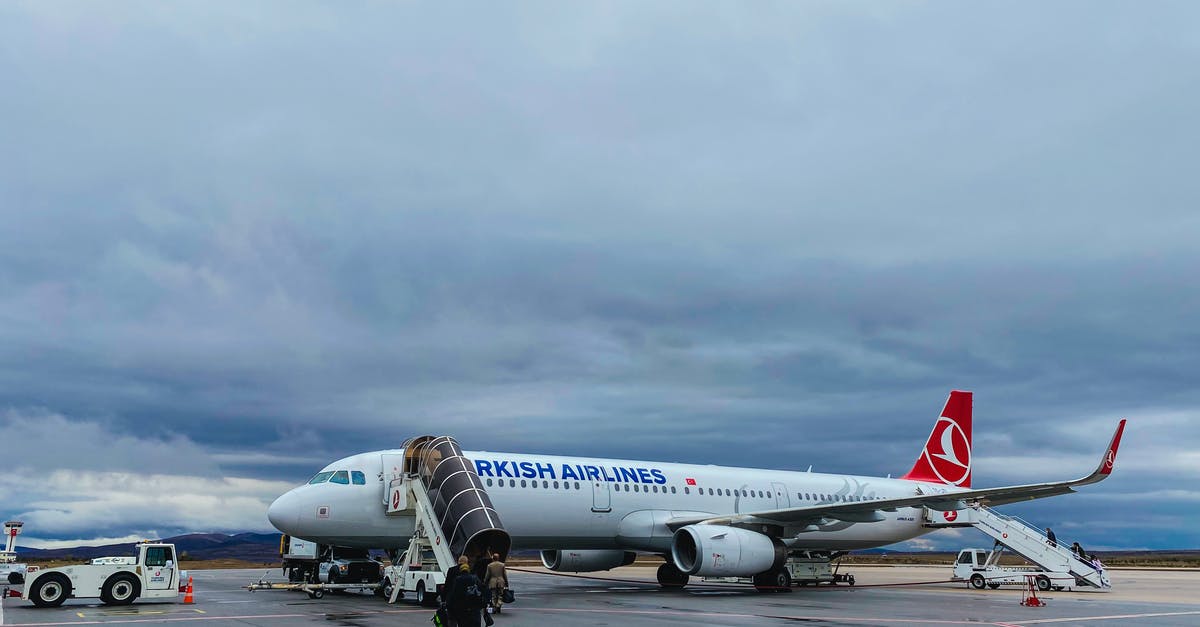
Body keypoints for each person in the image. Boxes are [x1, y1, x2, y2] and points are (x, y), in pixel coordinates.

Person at [447, 557, 485, 627]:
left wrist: (448, 603)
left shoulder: (456, 577)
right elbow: (483, 590)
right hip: (474, 608)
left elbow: (450, 589)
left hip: (461, 607)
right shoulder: (474, 577)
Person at [440, 556, 469, 627]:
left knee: (452, 619)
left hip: (452, 599)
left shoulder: (451, 570)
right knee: (463, 620)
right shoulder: (469, 571)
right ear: (466, 562)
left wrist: (443, 599)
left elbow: (446, 585)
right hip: (464, 600)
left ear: (458, 561)